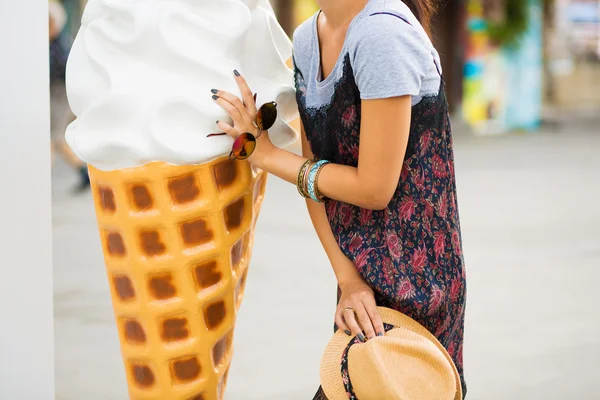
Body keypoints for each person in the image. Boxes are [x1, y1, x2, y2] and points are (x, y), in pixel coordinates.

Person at [211, 0, 467, 397]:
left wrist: (267, 156)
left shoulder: (383, 36)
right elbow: (317, 180)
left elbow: (374, 188)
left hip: (417, 281)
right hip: (358, 276)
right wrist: (347, 278)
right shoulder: (307, 39)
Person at [49, 0, 90, 193]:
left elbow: (60, 72)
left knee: (55, 138)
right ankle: (83, 172)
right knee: (54, 139)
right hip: (55, 97)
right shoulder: (55, 45)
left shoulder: (58, 46)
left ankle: (82, 172)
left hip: (58, 97)